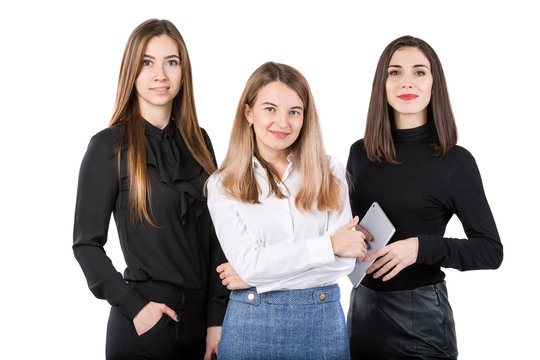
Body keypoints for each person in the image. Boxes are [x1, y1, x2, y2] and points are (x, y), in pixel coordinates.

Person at [73, 19, 228, 360]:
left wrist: (216, 319)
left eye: (171, 62)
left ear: (183, 71)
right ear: (132, 71)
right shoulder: (108, 146)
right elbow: (86, 244)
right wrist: (134, 307)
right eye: (147, 62)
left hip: (203, 326)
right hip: (143, 327)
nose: (161, 74)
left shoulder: (200, 142)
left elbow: (219, 238)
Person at [346, 35, 504, 359]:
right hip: (360, 315)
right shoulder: (359, 154)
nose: (407, 82)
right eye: (395, 72)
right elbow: (346, 230)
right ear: (382, 84)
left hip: (420, 322)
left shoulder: (455, 162)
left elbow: (491, 251)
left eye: (419, 72)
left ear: (434, 84)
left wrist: (421, 247)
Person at [206, 62, 368, 359]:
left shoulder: (329, 171)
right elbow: (251, 265)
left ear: (306, 118)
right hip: (249, 327)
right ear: (248, 113)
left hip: (321, 325)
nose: (283, 122)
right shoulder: (222, 184)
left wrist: (260, 277)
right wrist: (329, 245)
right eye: (270, 109)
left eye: (294, 111)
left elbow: (344, 265)